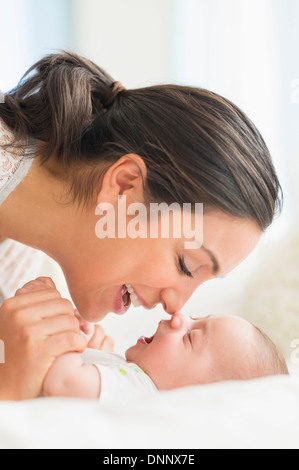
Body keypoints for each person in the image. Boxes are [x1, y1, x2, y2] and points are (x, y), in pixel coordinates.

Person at [0, 52, 282, 400]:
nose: (177, 309)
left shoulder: (30, 268)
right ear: (124, 186)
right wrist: (10, 387)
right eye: (186, 264)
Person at [42, 300, 288, 402]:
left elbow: (63, 383)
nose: (179, 316)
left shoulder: (140, 390)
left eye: (191, 336)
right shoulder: (136, 379)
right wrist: (92, 348)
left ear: (197, 395)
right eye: (194, 318)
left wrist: (62, 327)